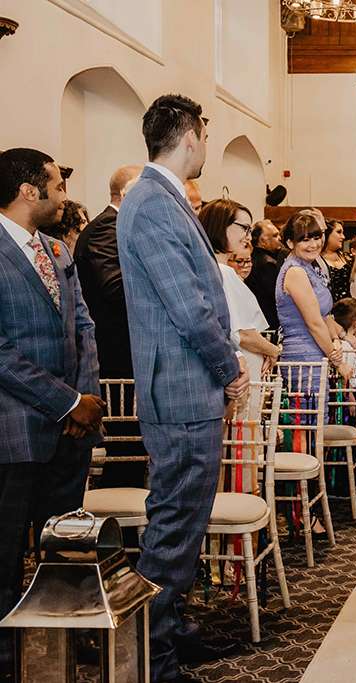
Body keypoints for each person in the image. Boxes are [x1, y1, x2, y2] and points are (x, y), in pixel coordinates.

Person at [117, 94, 249, 683]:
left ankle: (169, 628)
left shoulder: (163, 197)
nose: (206, 148)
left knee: (184, 523)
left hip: (185, 387)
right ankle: (151, 653)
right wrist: (229, 368)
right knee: (173, 528)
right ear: (191, 136)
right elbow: (189, 309)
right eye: (206, 137)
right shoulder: (150, 202)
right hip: (180, 388)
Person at [0, 148, 104, 679]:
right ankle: (5, 653)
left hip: (70, 431)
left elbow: (84, 326)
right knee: (4, 553)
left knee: (65, 546)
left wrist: (85, 403)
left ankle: (64, 636)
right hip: (14, 430)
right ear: (28, 191)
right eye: (57, 186)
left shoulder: (57, 249)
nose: (65, 196)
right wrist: (67, 402)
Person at [74, 165, 143, 488]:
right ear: (127, 194)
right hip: (116, 351)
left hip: (124, 349)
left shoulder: (119, 225)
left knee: (133, 445)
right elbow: (115, 288)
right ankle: (122, 511)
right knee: (125, 445)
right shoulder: (107, 227)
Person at [198, 199, 280, 382]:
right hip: (241, 368)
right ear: (221, 226)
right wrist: (273, 350)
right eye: (245, 228)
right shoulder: (222, 272)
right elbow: (241, 334)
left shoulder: (212, 268)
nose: (248, 237)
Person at [276, 210, 348, 373]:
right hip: (305, 357)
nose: (314, 245)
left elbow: (324, 315)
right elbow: (314, 323)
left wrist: (335, 339)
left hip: (318, 351)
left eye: (317, 238)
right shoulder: (295, 271)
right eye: (305, 240)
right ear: (290, 243)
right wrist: (338, 362)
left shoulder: (308, 267)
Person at [247, 218, 285, 330]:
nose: (280, 238)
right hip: (269, 322)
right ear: (263, 241)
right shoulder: (267, 264)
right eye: (275, 236)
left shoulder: (255, 258)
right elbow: (277, 297)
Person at [321, 218, 351, 304]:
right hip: (328, 307)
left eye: (342, 233)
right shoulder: (315, 260)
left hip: (349, 308)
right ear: (327, 234)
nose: (343, 237)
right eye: (339, 232)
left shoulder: (347, 258)